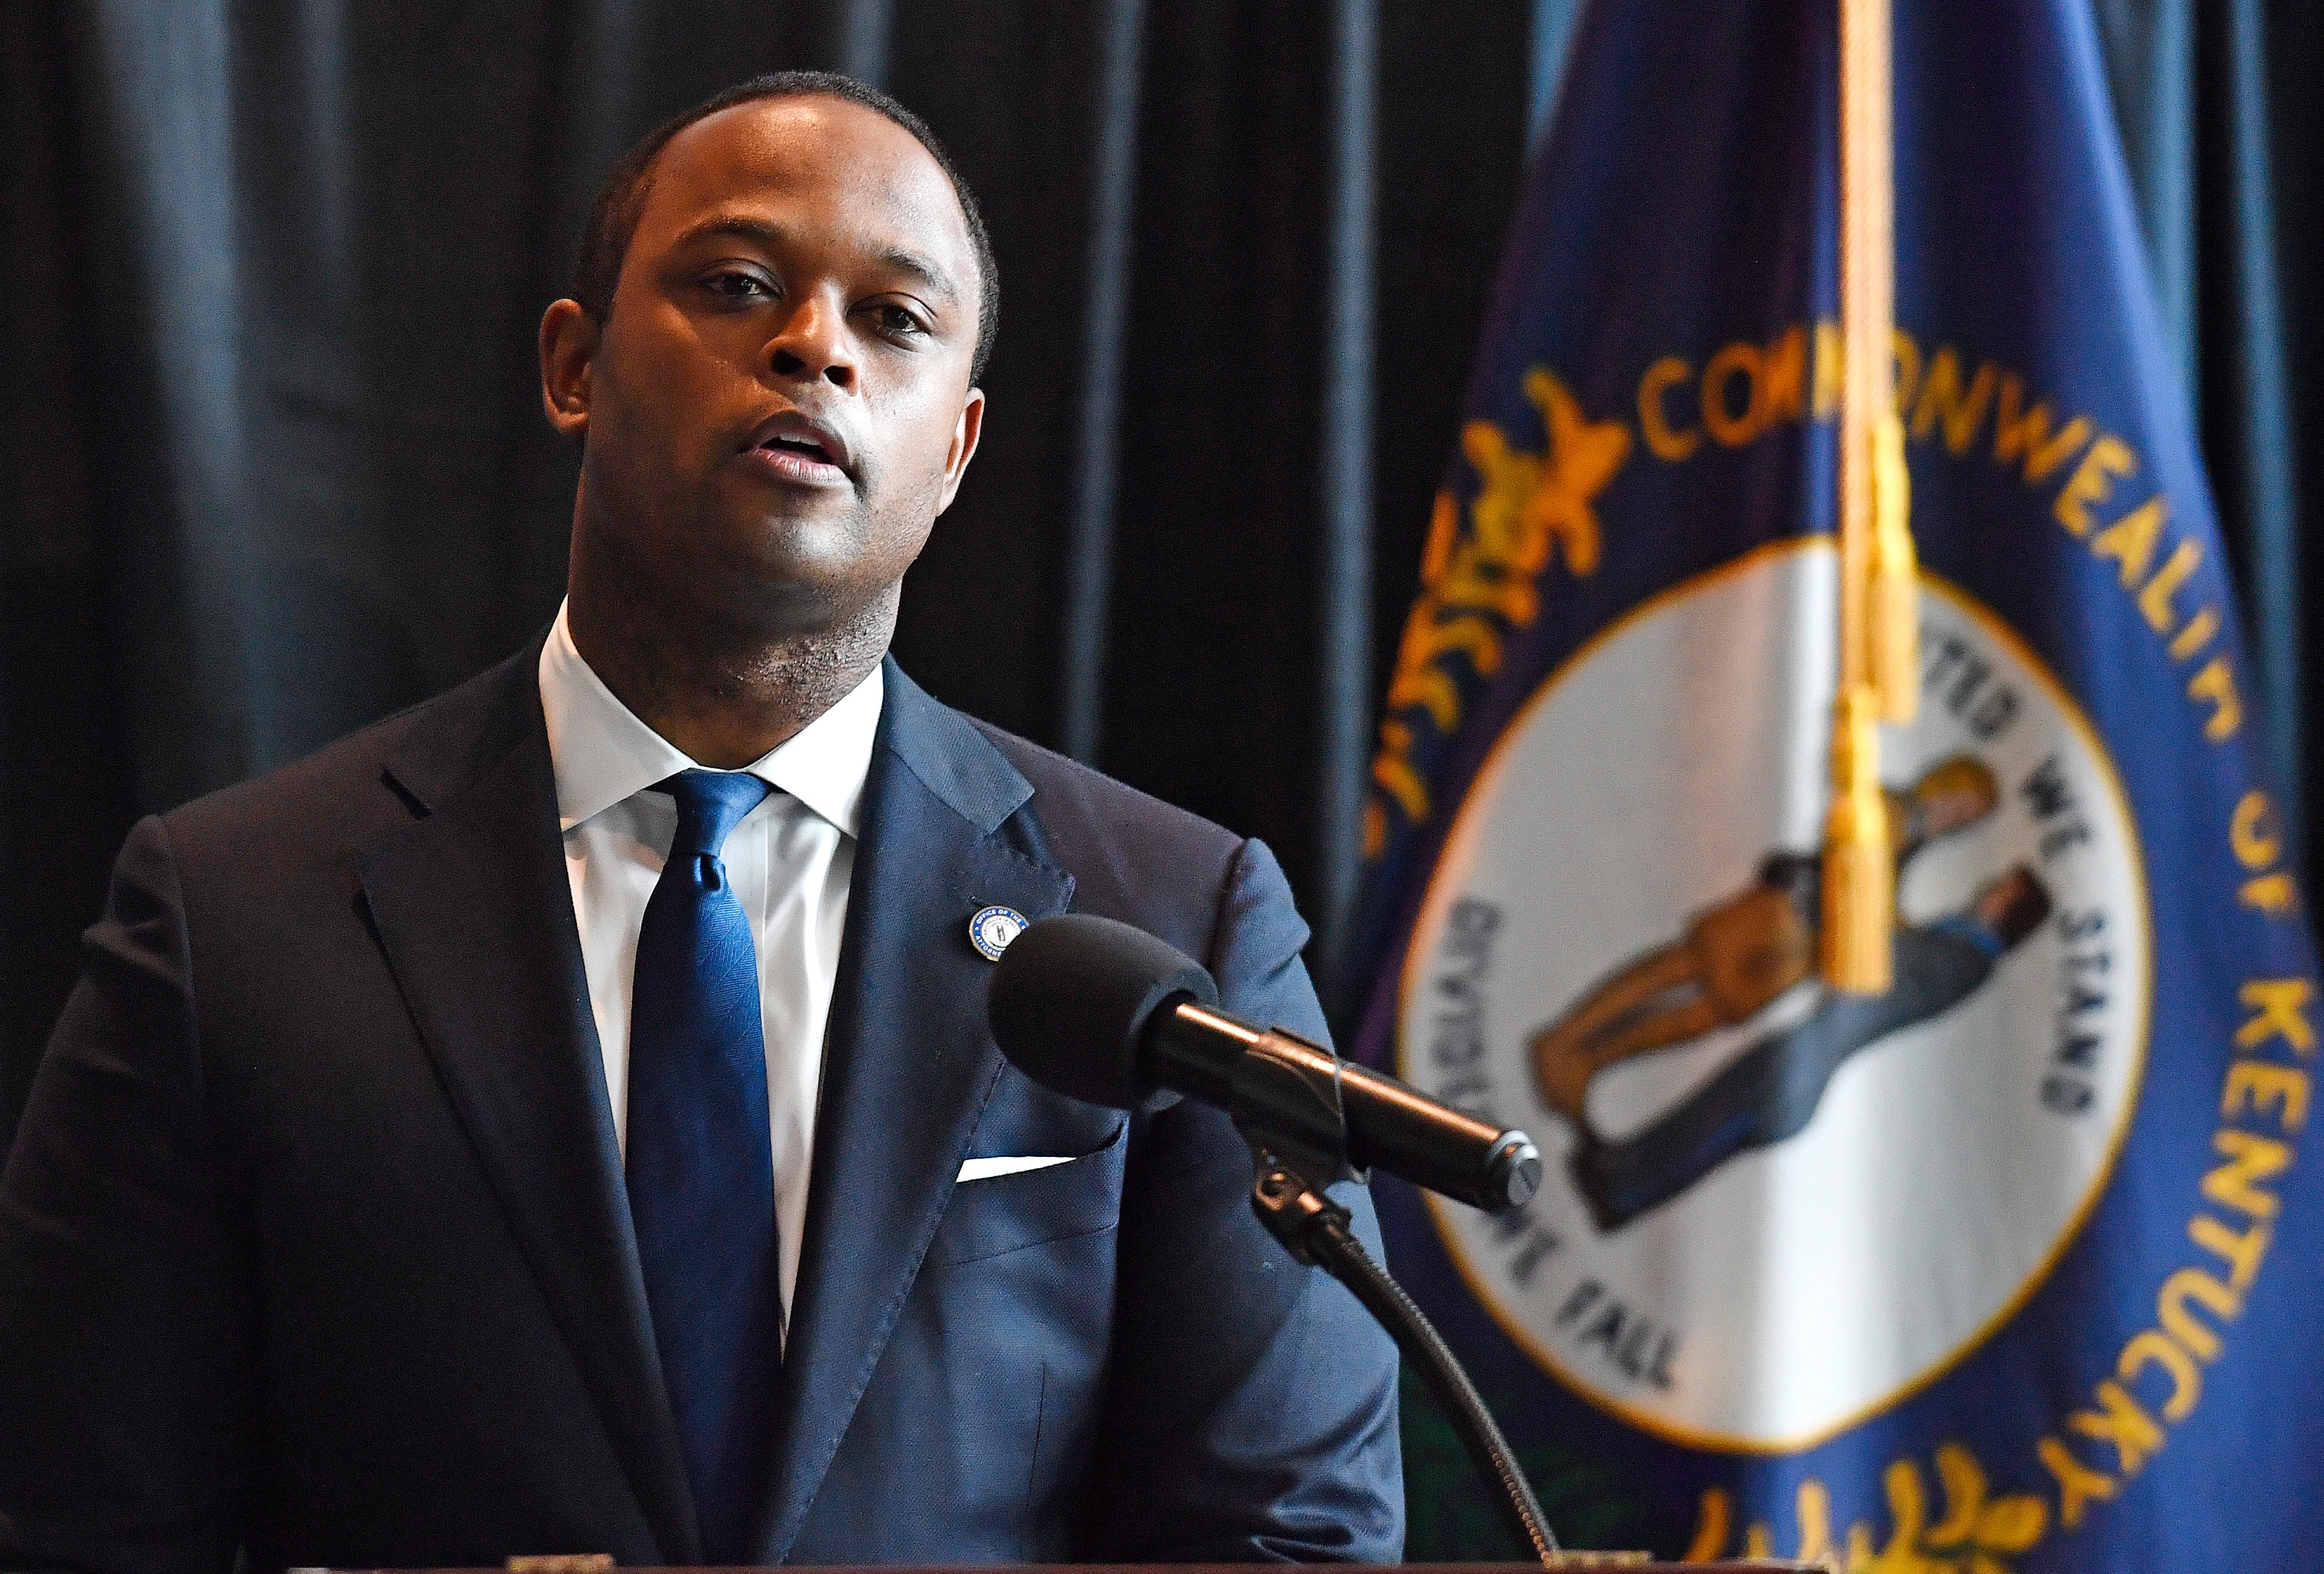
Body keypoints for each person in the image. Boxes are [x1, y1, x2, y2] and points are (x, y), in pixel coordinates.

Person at [0, 72, 1402, 1572]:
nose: (814, 345)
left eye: (896, 319)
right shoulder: (231, 918)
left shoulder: (1173, 921)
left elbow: (1287, 1533)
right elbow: (85, 1532)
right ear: (575, 366)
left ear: (958, 449)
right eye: (738, 285)